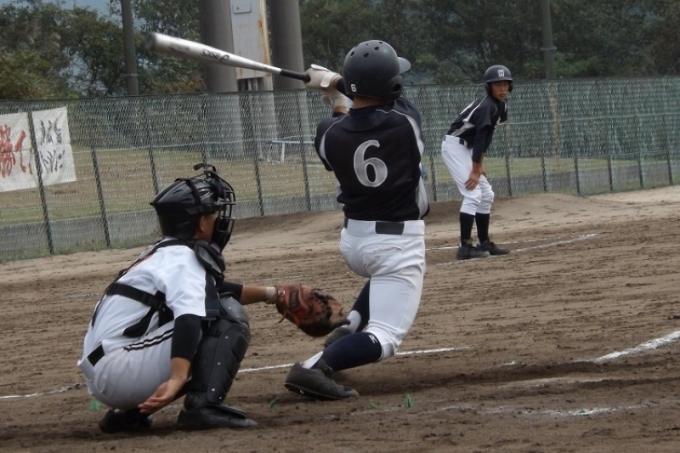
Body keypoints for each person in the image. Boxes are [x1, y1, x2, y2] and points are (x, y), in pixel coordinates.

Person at [77, 163, 281, 432]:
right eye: (215, 214)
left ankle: (129, 415)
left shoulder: (164, 252)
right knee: (226, 315)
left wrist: (273, 294)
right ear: (201, 222)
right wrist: (177, 377)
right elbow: (189, 317)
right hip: (121, 371)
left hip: (110, 368)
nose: (219, 220)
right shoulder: (185, 258)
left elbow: (214, 290)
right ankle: (203, 407)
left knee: (212, 307)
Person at [283, 40, 429, 400]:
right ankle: (314, 368)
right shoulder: (406, 123)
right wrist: (336, 83)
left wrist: (336, 92)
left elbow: (343, 120)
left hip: (355, 241)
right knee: (386, 337)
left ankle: (347, 328)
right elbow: (382, 106)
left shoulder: (328, 133)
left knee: (383, 277)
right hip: (395, 243)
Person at [440, 65, 514, 260]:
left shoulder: (501, 105)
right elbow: (480, 137)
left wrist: (479, 164)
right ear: (489, 87)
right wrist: (475, 169)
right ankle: (465, 247)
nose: (503, 88)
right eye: (497, 85)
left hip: (467, 149)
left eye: (505, 84)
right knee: (472, 194)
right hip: (455, 146)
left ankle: (484, 242)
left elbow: (488, 136)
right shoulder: (486, 105)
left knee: (486, 194)